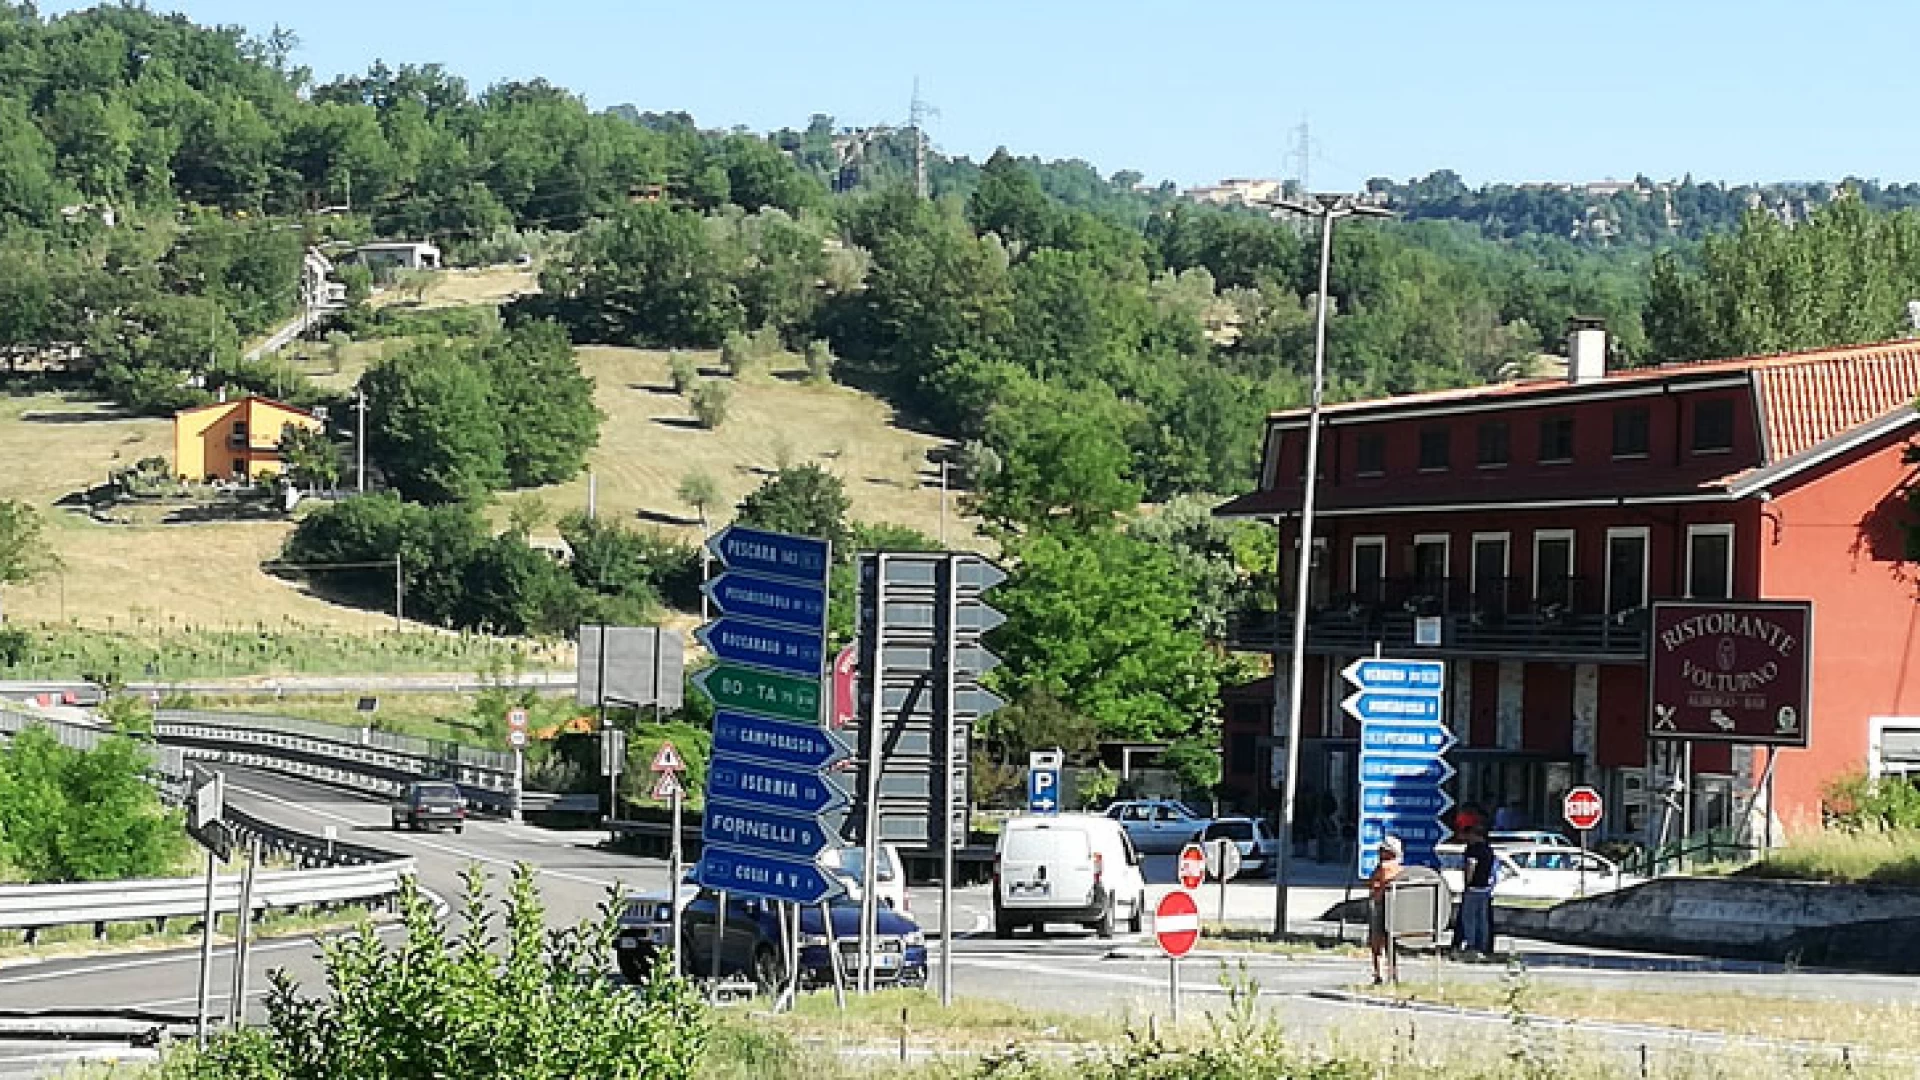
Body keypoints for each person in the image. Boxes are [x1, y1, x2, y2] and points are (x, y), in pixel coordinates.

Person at [1367, 835, 1406, 985]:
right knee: (1391, 944)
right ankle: (1393, 974)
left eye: (1382, 850)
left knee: (1377, 943)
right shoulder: (1401, 869)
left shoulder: (1385, 868)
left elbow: (1374, 884)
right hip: (1395, 909)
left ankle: (1379, 975)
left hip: (1380, 906)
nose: (1379, 852)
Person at [1458, 824, 1498, 960]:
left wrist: (1467, 882)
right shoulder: (1489, 850)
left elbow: (1471, 865)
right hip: (1485, 888)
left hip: (1474, 888)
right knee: (1482, 919)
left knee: (1469, 918)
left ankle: (1472, 945)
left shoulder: (1473, 850)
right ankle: (1483, 945)